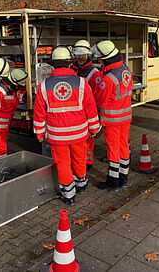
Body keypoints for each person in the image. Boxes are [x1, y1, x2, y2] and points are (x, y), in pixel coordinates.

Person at [33, 47, 99, 206]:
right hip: (79, 133)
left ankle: (69, 196)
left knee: (62, 163)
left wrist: (39, 133)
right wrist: (93, 129)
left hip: (57, 135)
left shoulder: (44, 85)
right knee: (79, 158)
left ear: (53, 66)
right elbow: (91, 108)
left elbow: (39, 113)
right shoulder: (82, 83)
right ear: (70, 63)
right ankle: (81, 185)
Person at [90, 40, 132, 192]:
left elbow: (100, 100)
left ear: (106, 59)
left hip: (112, 119)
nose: (99, 61)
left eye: (100, 59)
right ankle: (123, 179)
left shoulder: (108, 78)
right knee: (123, 147)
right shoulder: (125, 69)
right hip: (125, 117)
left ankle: (113, 182)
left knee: (113, 150)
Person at [70, 39, 103, 170]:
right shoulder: (71, 70)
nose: (80, 57)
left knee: (87, 140)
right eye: (78, 54)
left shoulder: (94, 73)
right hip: (74, 113)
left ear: (88, 54)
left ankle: (87, 162)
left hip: (87, 113)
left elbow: (99, 96)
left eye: (83, 54)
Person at [0, 69, 28, 158]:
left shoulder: (12, 88)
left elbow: (17, 97)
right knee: (0, 140)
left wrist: (25, 96)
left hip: (7, 120)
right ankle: (1, 160)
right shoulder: (1, 90)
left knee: (2, 139)